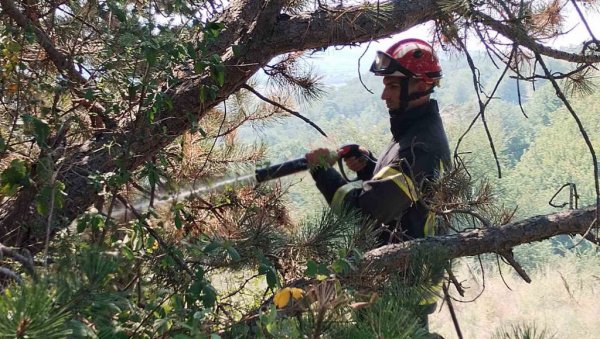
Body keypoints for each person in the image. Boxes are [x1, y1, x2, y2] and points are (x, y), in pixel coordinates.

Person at [305, 38, 451, 330]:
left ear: (421, 85)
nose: (384, 95)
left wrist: (323, 172)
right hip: (392, 284)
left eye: (393, 86)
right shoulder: (410, 133)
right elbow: (406, 197)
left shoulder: (420, 146)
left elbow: (365, 213)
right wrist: (370, 168)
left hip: (399, 290)